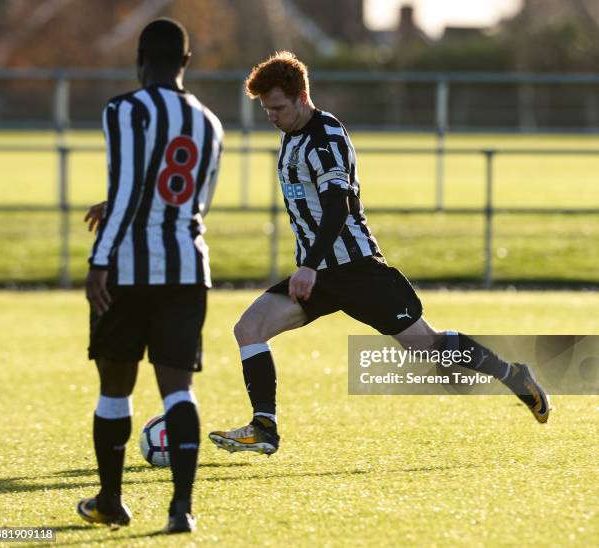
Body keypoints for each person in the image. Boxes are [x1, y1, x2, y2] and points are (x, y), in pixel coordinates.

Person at [208, 51, 550, 456]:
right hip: (320, 273)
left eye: (278, 107)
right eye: (266, 109)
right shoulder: (291, 136)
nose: (272, 116)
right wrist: (313, 266)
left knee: (427, 347)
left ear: (302, 97)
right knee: (249, 329)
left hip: (355, 270)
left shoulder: (326, 136)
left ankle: (512, 375)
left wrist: (308, 265)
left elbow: (338, 207)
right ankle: (264, 427)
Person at [77, 18, 223, 534]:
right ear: (186, 62)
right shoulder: (210, 122)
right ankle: (181, 508)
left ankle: (111, 501)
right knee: (178, 391)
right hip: (187, 265)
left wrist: (100, 259)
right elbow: (194, 202)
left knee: (115, 389)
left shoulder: (124, 109)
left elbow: (133, 187)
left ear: (140, 60)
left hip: (130, 269)